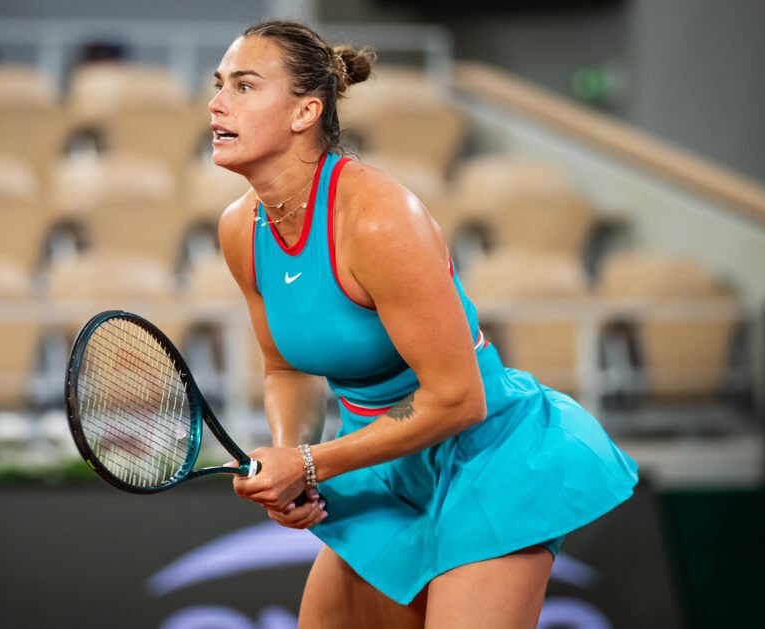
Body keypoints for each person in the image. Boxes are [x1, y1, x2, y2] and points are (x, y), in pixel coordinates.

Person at [212, 20, 639, 629]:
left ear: (305, 112)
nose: (217, 102)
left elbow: (457, 400)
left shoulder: (380, 220)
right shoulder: (240, 229)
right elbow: (287, 365)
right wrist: (288, 459)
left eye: (244, 86)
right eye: (219, 83)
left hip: (486, 454)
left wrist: (310, 464)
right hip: (382, 465)